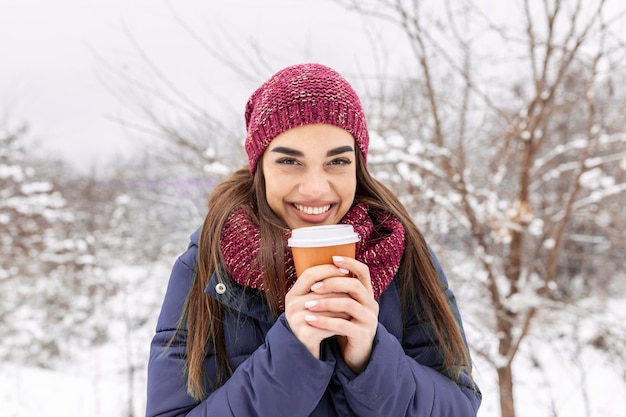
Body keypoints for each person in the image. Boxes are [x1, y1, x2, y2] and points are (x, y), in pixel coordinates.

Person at [146, 63, 481, 417]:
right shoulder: (208, 266)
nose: (316, 188)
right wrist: (291, 355)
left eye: (337, 161)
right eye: (290, 161)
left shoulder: (401, 251)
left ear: (358, 166)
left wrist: (370, 359)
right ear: (259, 167)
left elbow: (459, 405)